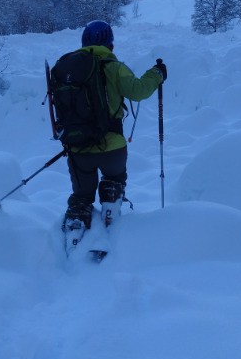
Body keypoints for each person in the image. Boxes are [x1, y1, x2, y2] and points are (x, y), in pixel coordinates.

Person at [63, 20, 167, 234]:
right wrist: (156, 74)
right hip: (113, 147)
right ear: (110, 44)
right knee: (114, 179)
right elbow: (138, 91)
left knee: (82, 196)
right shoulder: (114, 67)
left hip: (77, 148)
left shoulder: (67, 71)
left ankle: (77, 224)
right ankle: (111, 207)